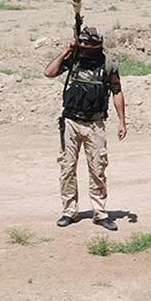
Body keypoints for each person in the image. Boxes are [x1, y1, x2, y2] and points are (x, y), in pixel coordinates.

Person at [44, 27, 127, 230]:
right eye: (82, 42)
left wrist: (122, 121)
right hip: (71, 122)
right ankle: (69, 211)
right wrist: (66, 52)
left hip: (95, 124)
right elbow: (49, 73)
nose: (85, 46)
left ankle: (100, 212)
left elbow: (117, 91)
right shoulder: (74, 61)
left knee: (98, 169)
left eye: (89, 43)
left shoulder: (108, 65)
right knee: (67, 168)